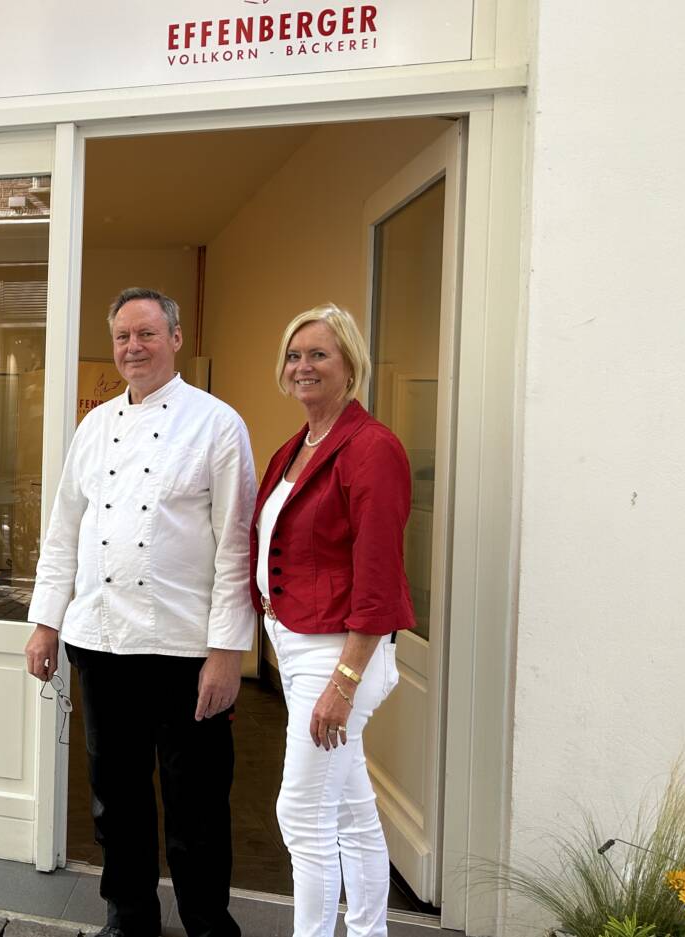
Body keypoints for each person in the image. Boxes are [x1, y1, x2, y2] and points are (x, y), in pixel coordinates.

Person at [26, 287, 256, 937]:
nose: (134, 346)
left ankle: (209, 922)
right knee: (115, 798)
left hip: (186, 648)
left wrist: (227, 650)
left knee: (197, 802)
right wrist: (47, 621)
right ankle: (130, 918)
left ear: (175, 338)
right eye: (124, 335)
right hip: (100, 640)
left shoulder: (217, 423)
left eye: (147, 333)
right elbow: (64, 531)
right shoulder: (94, 427)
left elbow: (236, 546)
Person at [249, 303, 414, 937]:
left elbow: (377, 576)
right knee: (349, 810)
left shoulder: (372, 447)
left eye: (319, 353)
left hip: (338, 653)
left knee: (302, 814)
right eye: (294, 355)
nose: (303, 366)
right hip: (295, 645)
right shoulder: (295, 448)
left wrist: (344, 681)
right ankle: (369, 932)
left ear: (350, 365)